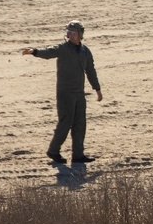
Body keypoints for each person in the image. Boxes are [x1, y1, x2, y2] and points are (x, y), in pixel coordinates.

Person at [22, 20, 103, 164]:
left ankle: (78, 155)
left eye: (74, 32)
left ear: (80, 34)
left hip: (79, 93)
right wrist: (35, 51)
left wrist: (97, 89)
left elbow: (90, 70)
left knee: (80, 124)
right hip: (65, 93)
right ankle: (53, 151)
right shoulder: (63, 48)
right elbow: (49, 52)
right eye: (69, 32)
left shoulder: (85, 51)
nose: (71, 35)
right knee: (65, 123)